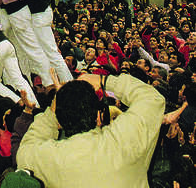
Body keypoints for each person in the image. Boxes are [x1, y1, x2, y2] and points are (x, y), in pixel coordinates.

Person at [16, 71, 164, 188]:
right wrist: (104, 81)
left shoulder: (47, 157)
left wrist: (52, 111)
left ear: (60, 121)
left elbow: (25, 150)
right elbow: (152, 99)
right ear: (98, 116)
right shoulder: (123, 140)